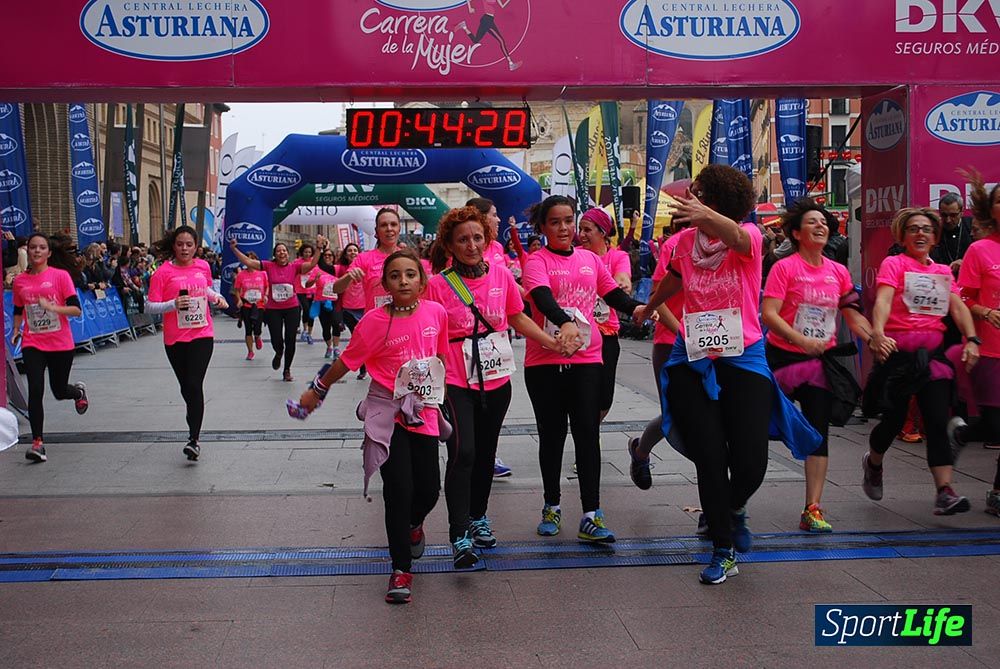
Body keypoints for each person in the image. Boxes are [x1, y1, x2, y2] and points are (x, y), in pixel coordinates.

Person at [639, 164, 821, 584]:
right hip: (692, 357)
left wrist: (705, 214)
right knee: (710, 457)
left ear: (719, 201)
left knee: (751, 459)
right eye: (693, 194)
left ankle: (734, 506)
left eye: (700, 194)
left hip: (744, 358)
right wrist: (650, 306)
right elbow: (674, 278)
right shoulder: (684, 243)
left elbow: (736, 236)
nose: (692, 199)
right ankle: (723, 550)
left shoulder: (749, 237)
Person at [293, 250, 450, 604]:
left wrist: (442, 398)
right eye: (395, 276)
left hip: (423, 410)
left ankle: (414, 526)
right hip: (385, 413)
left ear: (421, 281)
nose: (403, 281)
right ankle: (400, 569)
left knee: (429, 489)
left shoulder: (436, 313)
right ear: (386, 284)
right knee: (398, 491)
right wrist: (317, 391)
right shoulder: (374, 321)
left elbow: (440, 358)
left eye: (410, 274)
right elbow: (346, 362)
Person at [425, 206, 565, 566]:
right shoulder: (438, 285)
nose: (471, 245)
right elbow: (426, 332)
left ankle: (478, 517)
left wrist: (551, 343)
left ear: (486, 240)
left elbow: (517, 316)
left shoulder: (501, 275)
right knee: (464, 452)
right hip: (455, 380)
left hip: (497, 379)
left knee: (486, 453)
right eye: (462, 240)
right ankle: (459, 534)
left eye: (477, 238)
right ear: (449, 246)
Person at [522, 195, 648, 544]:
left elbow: (613, 294)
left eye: (568, 221)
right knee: (551, 435)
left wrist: (637, 308)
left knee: (587, 433)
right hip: (546, 359)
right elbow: (542, 298)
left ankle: (591, 514)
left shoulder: (590, 259)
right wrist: (564, 322)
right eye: (555, 222)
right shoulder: (537, 261)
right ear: (543, 227)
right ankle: (551, 506)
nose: (563, 228)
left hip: (587, 359)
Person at [761, 199, 890, 532]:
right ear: (796, 232)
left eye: (823, 222)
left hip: (818, 363)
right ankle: (731, 502)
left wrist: (873, 337)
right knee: (755, 428)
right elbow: (769, 314)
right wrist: (800, 340)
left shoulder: (838, 272)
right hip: (781, 360)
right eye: (812, 222)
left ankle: (812, 509)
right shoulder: (784, 268)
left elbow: (852, 316)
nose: (820, 226)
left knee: (819, 432)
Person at [861, 208, 980, 515]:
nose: (920, 234)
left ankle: (945, 492)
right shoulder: (894, 263)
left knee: (937, 421)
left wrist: (972, 338)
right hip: (898, 357)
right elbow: (884, 300)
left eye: (926, 229)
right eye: (913, 229)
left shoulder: (941, 271)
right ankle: (873, 463)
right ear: (903, 236)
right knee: (893, 422)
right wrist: (877, 332)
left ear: (935, 237)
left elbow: (958, 307)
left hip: (932, 359)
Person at [146, 226, 229, 461]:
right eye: (180, 244)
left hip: (202, 334)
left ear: (196, 247)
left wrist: (217, 298)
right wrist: (173, 304)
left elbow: (206, 289)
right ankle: (193, 418)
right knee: (186, 388)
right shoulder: (162, 273)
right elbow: (149, 306)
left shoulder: (203, 266)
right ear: (174, 246)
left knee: (194, 384)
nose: (184, 249)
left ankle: (194, 439)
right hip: (175, 339)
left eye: (189, 245)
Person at [11, 233, 89, 462]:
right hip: (32, 341)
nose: (37, 251)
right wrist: (16, 329)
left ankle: (77, 392)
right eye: (33, 247)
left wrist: (54, 308)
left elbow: (76, 310)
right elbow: (18, 308)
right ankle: (38, 443)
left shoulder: (60, 276)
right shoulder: (20, 281)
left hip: (60, 342)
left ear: (49, 253)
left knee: (59, 390)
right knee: (35, 389)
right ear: (27, 251)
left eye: (42, 247)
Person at [949, 174, 1000, 515]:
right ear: (990, 209)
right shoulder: (979, 250)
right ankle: (962, 434)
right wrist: (985, 311)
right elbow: (962, 298)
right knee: (995, 426)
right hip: (990, 349)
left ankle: (997, 492)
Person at [627, 223, 685, 493]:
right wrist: (684, 333)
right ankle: (641, 452)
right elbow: (656, 296)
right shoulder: (676, 245)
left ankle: (719, 503)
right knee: (676, 414)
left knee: (713, 417)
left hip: (717, 345)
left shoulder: (733, 239)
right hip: (672, 343)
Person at [229, 234, 325, 382]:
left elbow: (312, 264)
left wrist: (318, 248)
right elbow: (248, 261)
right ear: (275, 255)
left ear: (288, 254)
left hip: (292, 307)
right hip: (274, 309)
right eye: (279, 251)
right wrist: (234, 249)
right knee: (276, 339)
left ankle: (287, 369)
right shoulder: (268, 266)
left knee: (290, 339)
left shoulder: (294, 267)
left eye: (284, 250)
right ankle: (279, 353)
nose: (282, 253)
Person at [577, 207, 633, 423]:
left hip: (607, 334)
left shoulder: (617, 256)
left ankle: (592, 428)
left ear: (602, 232)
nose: (581, 235)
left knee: (604, 397)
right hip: (580, 334)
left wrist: (622, 284)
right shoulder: (576, 254)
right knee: (582, 393)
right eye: (580, 229)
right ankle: (588, 434)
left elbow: (623, 276)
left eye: (587, 230)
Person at [233, 251, 268, 361]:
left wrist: (266, 295)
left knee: (257, 327)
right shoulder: (241, 275)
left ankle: (257, 336)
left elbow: (267, 286)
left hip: (259, 305)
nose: (249, 261)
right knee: (248, 329)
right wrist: (239, 300)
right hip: (246, 304)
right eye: (247, 259)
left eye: (252, 259)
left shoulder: (262, 273)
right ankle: (250, 351)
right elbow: (237, 290)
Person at [312, 248, 343, 360]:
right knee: (325, 328)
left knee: (336, 323)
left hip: (335, 301)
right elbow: (307, 284)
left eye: (330, 255)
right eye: (325, 255)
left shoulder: (337, 269)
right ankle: (329, 346)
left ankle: (336, 347)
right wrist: (314, 279)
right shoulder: (317, 269)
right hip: (321, 302)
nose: (327, 257)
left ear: (333, 257)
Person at [932, 192, 973, 272]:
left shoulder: (972, 226)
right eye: (944, 215)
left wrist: (966, 262)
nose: (948, 220)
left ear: (962, 212)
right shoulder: (934, 229)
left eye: (953, 215)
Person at [295, 242, 320, 345]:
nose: (307, 254)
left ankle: (309, 333)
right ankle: (305, 330)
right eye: (305, 252)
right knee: (306, 309)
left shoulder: (314, 263)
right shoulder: (297, 262)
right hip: (301, 290)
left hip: (313, 290)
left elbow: (318, 274)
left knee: (311, 312)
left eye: (309, 252)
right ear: (302, 252)